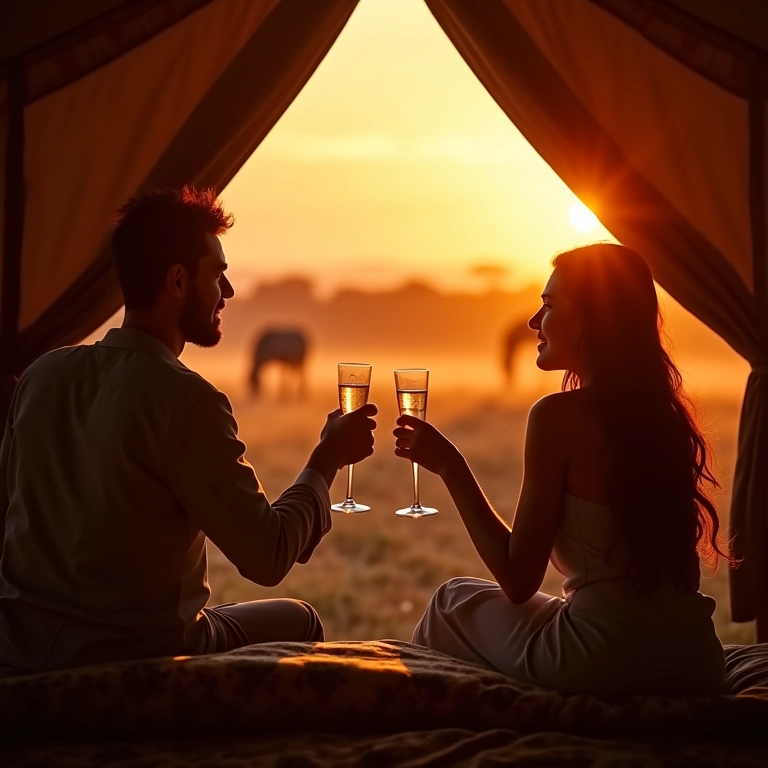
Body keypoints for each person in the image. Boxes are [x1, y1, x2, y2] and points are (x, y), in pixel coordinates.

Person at [0, 187, 377, 677]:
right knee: (300, 619)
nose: (230, 292)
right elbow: (268, 556)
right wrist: (327, 459)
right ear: (178, 281)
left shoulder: (40, 376)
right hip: (142, 655)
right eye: (218, 275)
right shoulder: (187, 401)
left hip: (21, 651)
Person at [395, 243, 734, 696]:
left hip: (605, 656)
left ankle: (429, 724)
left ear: (592, 318)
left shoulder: (557, 416)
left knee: (451, 602)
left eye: (549, 306)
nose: (534, 322)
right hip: (698, 659)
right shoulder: (666, 417)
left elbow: (518, 580)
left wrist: (451, 466)